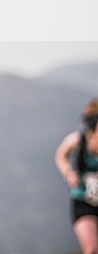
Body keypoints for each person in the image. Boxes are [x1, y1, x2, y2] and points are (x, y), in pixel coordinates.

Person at [55, 98, 98, 254]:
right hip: (83, 200)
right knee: (92, 249)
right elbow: (61, 155)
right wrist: (68, 173)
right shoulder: (77, 141)